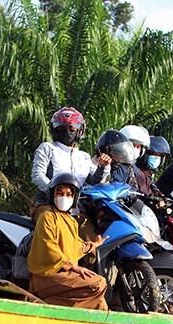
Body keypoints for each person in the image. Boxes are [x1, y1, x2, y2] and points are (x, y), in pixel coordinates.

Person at [27, 173, 109, 310]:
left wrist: (93, 245)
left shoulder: (71, 221)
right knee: (98, 283)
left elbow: (74, 247)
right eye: (60, 193)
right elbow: (50, 248)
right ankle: (51, 303)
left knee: (100, 303)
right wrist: (73, 267)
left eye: (69, 194)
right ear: (53, 195)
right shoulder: (47, 217)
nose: (64, 197)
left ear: (74, 198)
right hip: (48, 276)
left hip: (64, 276)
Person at [31, 107, 110, 217]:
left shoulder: (84, 157)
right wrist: (57, 193)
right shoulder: (47, 148)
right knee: (53, 226)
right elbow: (37, 175)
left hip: (75, 210)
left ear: (79, 131)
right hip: (47, 205)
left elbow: (94, 181)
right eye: (62, 128)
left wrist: (103, 167)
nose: (67, 132)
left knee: (94, 233)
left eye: (72, 129)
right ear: (55, 129)